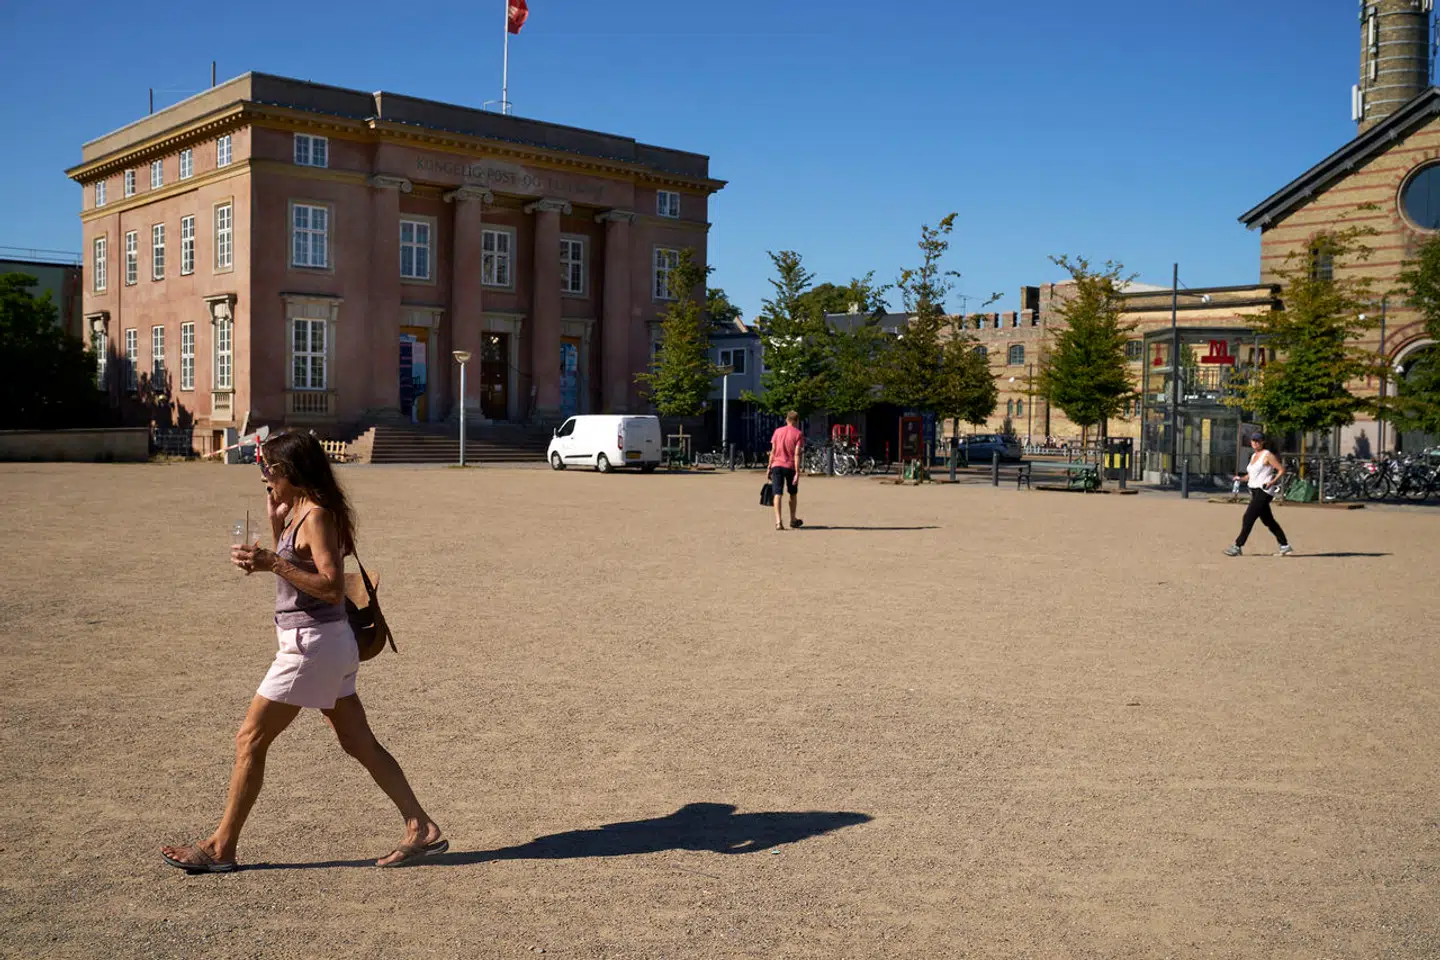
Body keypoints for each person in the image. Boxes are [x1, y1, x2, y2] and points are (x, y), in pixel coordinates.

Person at [161, 432, 445, 872]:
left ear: (291, 471)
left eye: (270, 469)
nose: (264, 477)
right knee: (358, 742)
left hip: (311, 647)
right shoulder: (296, 513)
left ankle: (221, 847)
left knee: (250, 738)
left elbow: (331, 588)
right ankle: (421, 827)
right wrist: (273, 537)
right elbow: (294, 570)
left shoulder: (317, 518)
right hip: (322, 644)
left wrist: (273, 562)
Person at [1225, 431, 1294, 557]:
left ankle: (1237, 546)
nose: (1255, 443)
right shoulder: (1253, 456)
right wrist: (1240, 479)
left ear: (1263, 442)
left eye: (1258, 440)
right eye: (1253, 440)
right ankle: (1285, 545)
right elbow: (1251, 475)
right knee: (1268, 520)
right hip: (1255, 491)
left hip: (1264, 491)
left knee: (1248, 517)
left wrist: (1272, 481)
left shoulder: (1267, 455)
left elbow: (1281, 469)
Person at [767, 411, 805, 531]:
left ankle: (778, 522)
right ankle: (793, 519)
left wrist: (769, 466)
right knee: (792, 493)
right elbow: (797, 454)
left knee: (777, 493)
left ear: (786, 419)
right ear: (796, 421)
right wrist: (798, 472)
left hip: (776, 465)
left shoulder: (777, 431)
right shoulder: (798, 434)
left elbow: (773, 450)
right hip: (790, 466)